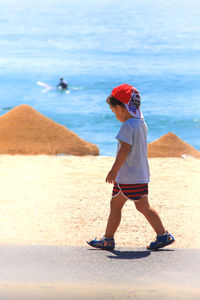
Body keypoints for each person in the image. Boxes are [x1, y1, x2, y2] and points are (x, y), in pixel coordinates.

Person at [87, 84, 175, 251]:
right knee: (143, 206)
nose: (115, 116)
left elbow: (124, 150)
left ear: (120, 108)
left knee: (115, 206)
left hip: (126, 177)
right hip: (141, 175)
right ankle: (163, 234)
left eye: (114, 112)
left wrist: (114, 170)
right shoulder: (141, 123)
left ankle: (108, 239)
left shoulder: (127, 126)